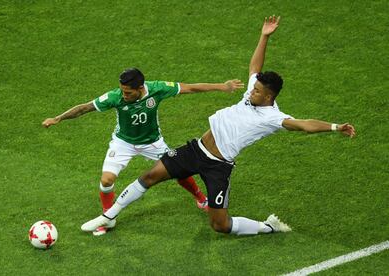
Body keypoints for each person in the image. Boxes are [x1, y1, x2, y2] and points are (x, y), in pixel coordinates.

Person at [81, 15, 356, 236]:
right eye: (254, 87)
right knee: (150, 176)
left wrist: (334, 127)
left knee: (220, 225)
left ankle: (267, 226)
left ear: (269, 97)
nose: (251, 91)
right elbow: (254, 67)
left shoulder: (273, 117)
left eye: (258, 90)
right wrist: (264, 36)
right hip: (196, 149)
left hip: (218, 166)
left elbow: (304, 125)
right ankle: (108, 216)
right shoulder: (253, 92)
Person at [42, 68, 244, 235]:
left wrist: (222, 86)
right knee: (106, 180)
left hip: (152, 143)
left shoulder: (157, 89)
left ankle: (201, 199)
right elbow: (85, 108)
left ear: (140, 88)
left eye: (128, 92)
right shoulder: (115, 97)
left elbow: (190, 88)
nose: (124, 95)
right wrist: (58, 118)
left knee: (179, 170)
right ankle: (108, 217)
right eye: (122, 91)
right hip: (123, 143)